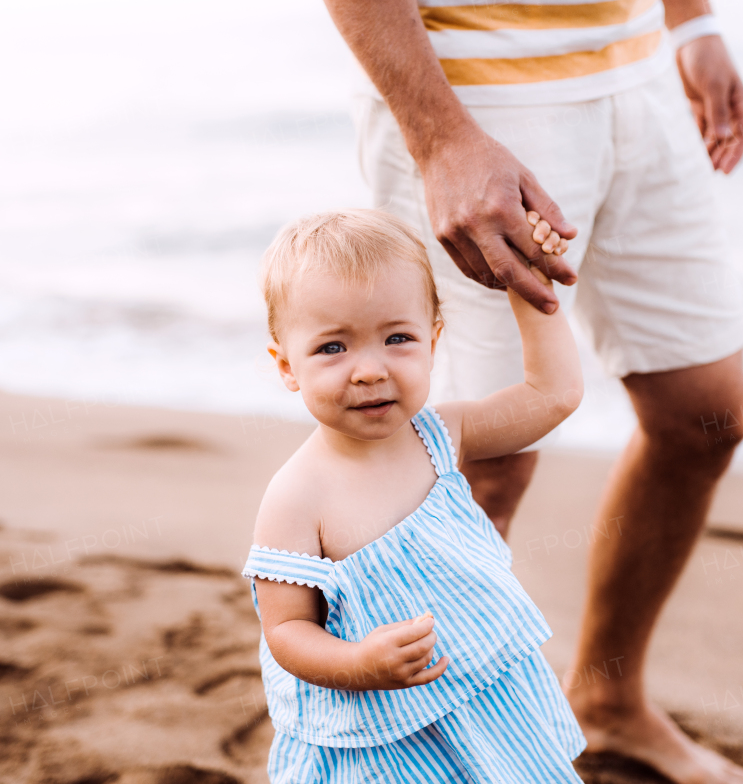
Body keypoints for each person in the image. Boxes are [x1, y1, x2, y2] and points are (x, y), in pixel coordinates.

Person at [300, 0, 743, 781]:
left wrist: (693, 22)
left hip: (640, 69)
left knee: (707, 415)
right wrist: (439, 139)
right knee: (476, 471)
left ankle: (610, 703)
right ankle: (402, 753)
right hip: (476, 87)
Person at [245, 208, 583, 781]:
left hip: (484, 692)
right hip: (382, 737)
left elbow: (553, 396)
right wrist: (357, 662)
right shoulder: (297, 497)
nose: (370, 370)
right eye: (333, 348)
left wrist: (530, 283)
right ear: (287, 366)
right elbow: (286, 630)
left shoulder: (440, 436)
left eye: (398, 338)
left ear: (434, 339)